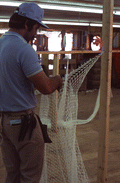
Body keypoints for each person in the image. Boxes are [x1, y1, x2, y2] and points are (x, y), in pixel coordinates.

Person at [0, 2, 62, 183]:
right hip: (24, 125)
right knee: (30, 176)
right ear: (26, 24)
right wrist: (57, 79)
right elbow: (46, 88)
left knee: (12, 174)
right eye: (35, 27)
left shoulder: (1, 44)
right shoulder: (24, 50)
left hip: (5, 123)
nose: (36, 34)